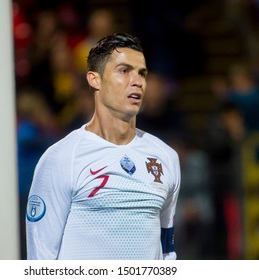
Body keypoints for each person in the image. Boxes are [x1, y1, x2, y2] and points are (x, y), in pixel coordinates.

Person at [26, 33, 181, 260]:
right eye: (124, 71)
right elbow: (41, 257)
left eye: (142, 73)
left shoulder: (165, 157)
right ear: (94, 79)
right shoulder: (61, 158)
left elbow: (167, 251)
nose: (137, 81)